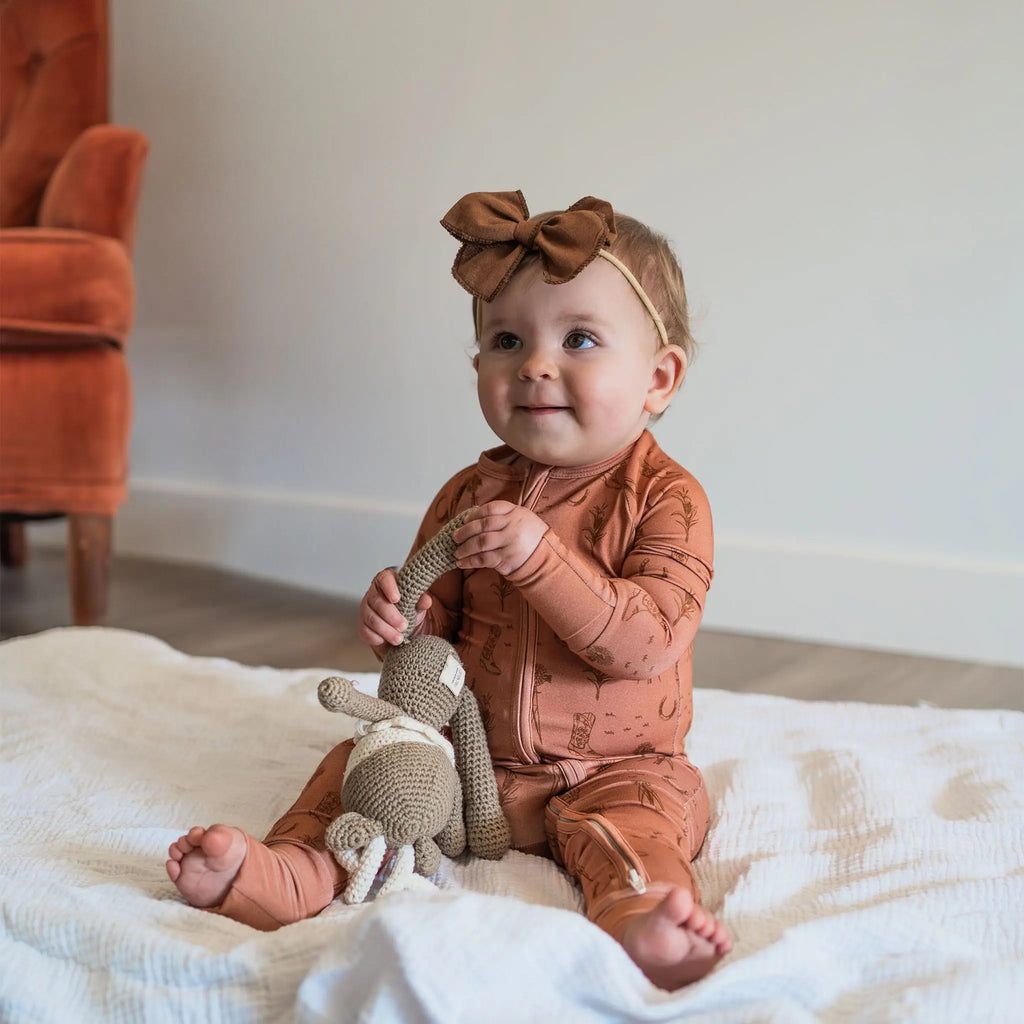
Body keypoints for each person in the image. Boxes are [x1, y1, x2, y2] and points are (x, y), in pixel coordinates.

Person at [167, 190, 732, 990]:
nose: (536, 363)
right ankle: (289, 873)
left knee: (636, 831)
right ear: (480, 368)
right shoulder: (470, 491)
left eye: (578, 338)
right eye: (507, 339)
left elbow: (647, 641)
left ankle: (643, 917)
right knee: (360, 764)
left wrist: (543, 560)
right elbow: (436, 643)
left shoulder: (667, 499)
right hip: (472, 763)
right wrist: (403, 617)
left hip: (619, 764)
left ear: (659, 377)